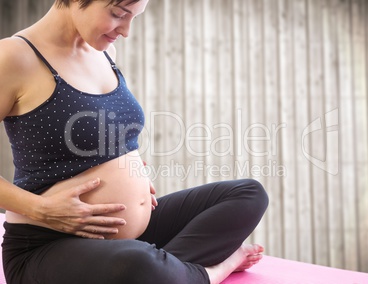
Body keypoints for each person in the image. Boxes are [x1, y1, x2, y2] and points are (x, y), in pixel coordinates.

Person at [0, 0, 269, 283]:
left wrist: (129, 172)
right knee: (138, 263)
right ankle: (211, 272)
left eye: (134, 18)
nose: (126, 31)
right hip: (47, 243)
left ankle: (168, 273)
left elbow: (92, 139)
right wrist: (41, 209)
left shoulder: (105, 52)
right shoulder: (13, 56)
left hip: (129, 236)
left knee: (249, 194)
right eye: (118, 14)